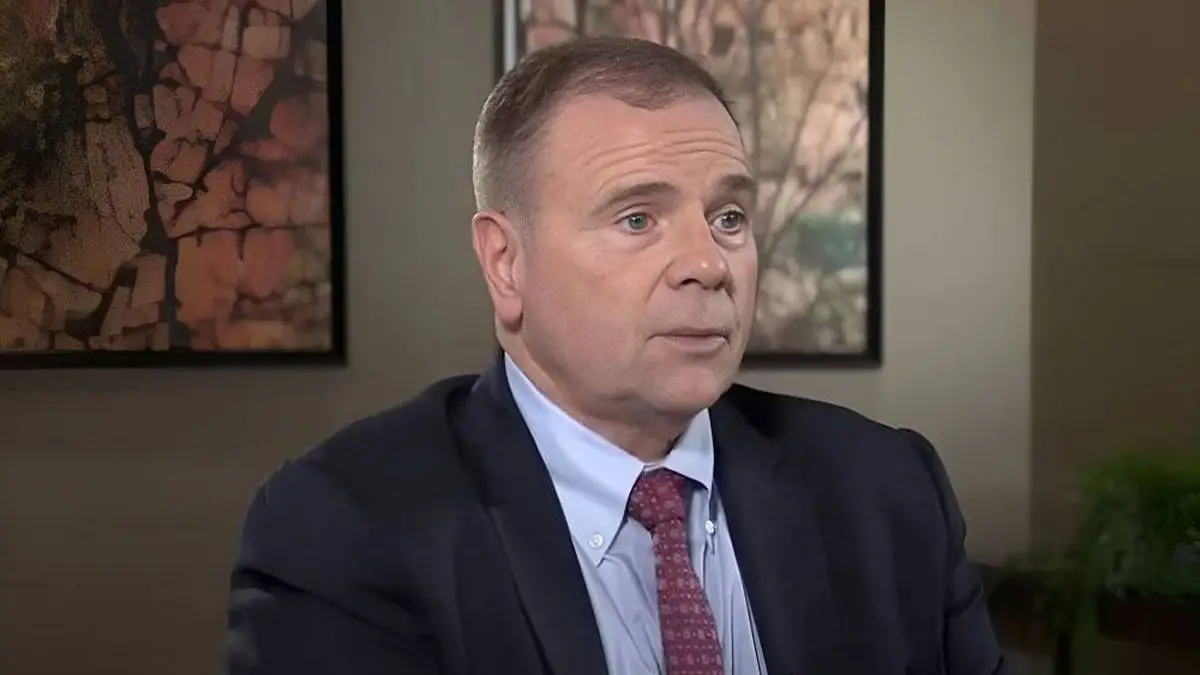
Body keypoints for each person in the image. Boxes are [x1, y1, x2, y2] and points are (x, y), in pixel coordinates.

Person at [223, 36, 1009, 675]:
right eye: (638, 219)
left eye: (729, 217)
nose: (708, 263)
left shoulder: (887, 491)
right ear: (505, 262)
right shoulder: (348, 527)